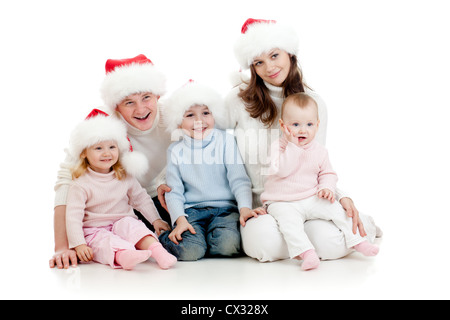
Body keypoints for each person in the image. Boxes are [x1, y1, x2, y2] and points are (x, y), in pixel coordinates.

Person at [225, 18, 382, 262]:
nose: (269, 67)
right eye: (259, 62)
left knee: (327, 244)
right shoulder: (238, 100)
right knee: (264, 244)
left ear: (289, 53)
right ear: (252, 67)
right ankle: (302, 242)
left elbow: (316, 161)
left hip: (308, 197)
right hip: (263, 205)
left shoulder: (313, 103)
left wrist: (340, 196)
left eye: (274, 55)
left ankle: (361, 228)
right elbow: (200, 133)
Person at [50, 55, 173, 269]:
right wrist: (62, 246)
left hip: (167, 195)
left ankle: (157, 249)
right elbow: (66, 181)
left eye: (146, 97)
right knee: (118, 234)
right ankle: (122, 254)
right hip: (125, 206)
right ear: (116, 106)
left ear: (157, 95)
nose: (141, 109)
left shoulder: (175, 116)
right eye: (129, 102)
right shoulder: (100, 125)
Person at [261, 93, 379, 270]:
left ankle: (358, 241)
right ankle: (307, 253)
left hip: (310, 196)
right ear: (283, 126)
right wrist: (293, 146)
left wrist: (326, 187)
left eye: (309, 124)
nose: (303, 130)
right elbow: (283, 170)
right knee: (289, 224)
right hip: (281, 201)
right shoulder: (279, 147)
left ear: (317, 125)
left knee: (337, 210)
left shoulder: (320, 151)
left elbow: (328, 173)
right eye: (295, 125)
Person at [158, 81, 259, 261]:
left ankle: (206, 240)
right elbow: (174, 191)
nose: (199, 121)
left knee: (228, 246)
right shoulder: (175, 150)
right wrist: (180, 220)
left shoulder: (226, 141)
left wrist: (244, 209)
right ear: (179, 122)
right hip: (192, 211)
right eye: (190, 115)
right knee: (191, 252)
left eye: (205, 113)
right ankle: (165, 239)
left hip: (225, 210)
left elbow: (239, 180)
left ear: (214, 115)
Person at [65, 112, 176, 270]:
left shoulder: (124, 176)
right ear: (84, 153)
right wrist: (79, 244)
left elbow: (141, 199)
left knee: (135, 228)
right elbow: (73, 216)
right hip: (94, 229)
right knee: (104, 241)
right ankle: (124, 255)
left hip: (121, 220)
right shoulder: (80, 184)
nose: (106, 153)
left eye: (112, 147)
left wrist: (156, 220)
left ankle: (158, 252)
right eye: (98, 148)